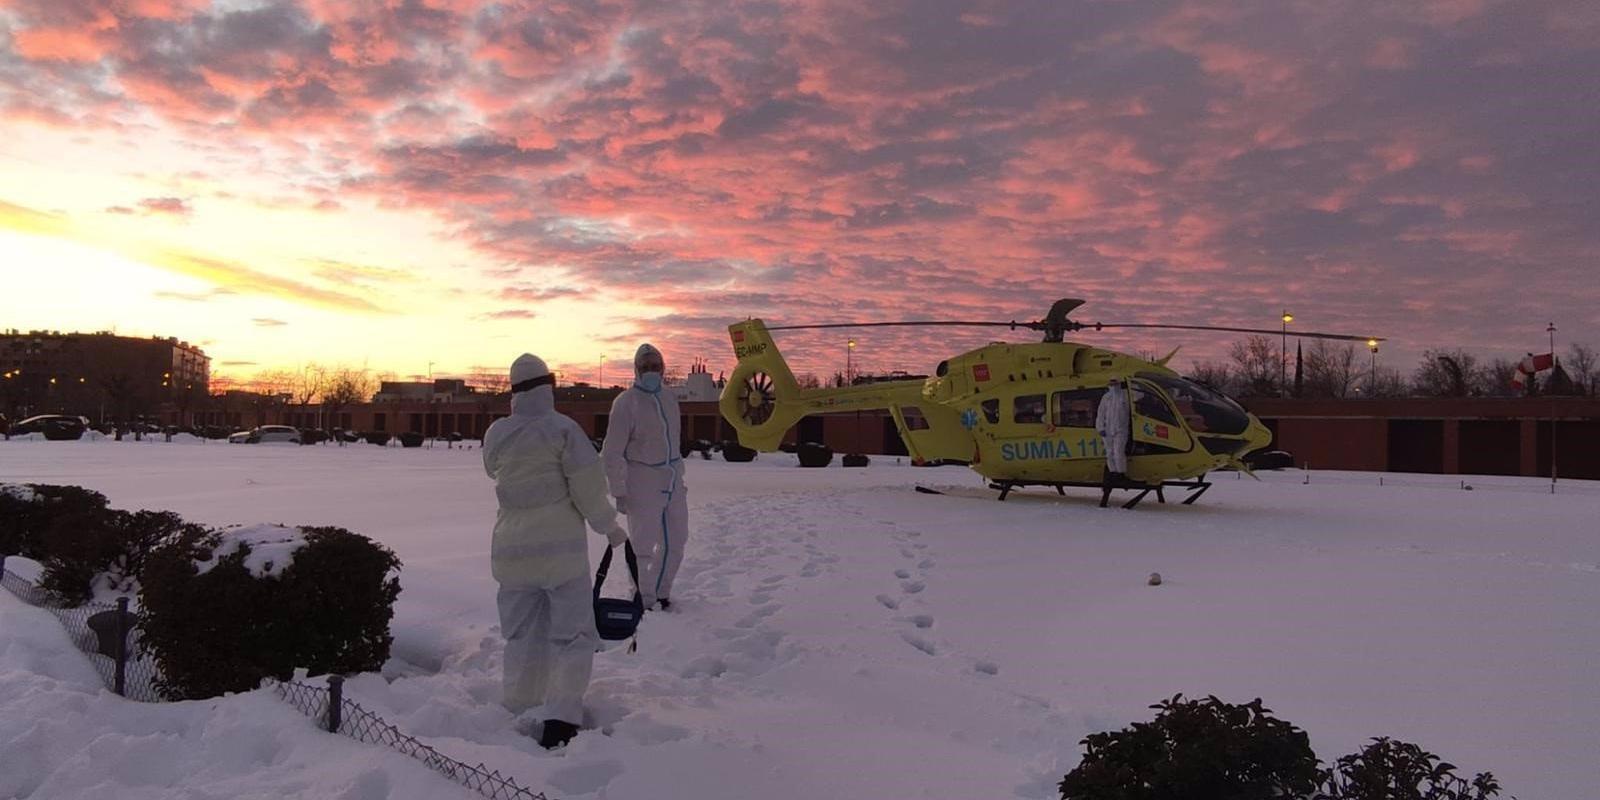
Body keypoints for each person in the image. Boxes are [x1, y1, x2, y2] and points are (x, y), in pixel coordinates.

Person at [482, 353, 628, 750]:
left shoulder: (497, 433)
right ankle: (562, 716)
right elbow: (588, 490)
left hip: (511, 553)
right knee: (572, 636)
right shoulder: (563, 430)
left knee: (521, 635)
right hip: (560, 555)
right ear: (549, 387)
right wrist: (610, 529)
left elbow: (492, 470)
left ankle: (519, 705)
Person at [601, 343, 689, 611]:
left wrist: (678, 475)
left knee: (676, 539)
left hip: (672, 479)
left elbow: (672, 438)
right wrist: (619, 490)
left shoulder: (669, 398)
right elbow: (612, 451)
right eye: (646, 367)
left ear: (663, 369)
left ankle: (661, 592)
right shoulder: (625, 403)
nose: (652, 371)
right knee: (642, 545)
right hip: (641, 480)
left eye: (656, 366)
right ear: (636, 370)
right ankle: (643, 597)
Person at [1096, 377, 1131, 484]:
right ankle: (1113, 473)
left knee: (1118, 451)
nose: (1113, 386)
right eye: (1111, 384)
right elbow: (1101, 414)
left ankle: (1121, 473)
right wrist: (1100, 427)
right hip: (1107, 430)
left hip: (1121, 429)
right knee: (1109, 452)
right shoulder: (1106, 398)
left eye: (1115, 383)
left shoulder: (1125, 396)